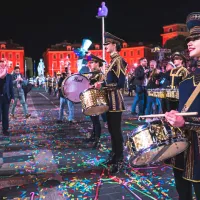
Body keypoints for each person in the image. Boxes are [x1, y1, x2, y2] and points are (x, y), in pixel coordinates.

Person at [164, 12, 200, 200]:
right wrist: (175, 115)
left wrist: (184, 122)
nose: (189, 42)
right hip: (184, 151)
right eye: (189, 38)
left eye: (196, 38)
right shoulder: (187, 80)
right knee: (182, 192)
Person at [95, 32, 127, 173]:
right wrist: (100, 83)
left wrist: (103, 86)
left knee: (116, 131)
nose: (106, 46)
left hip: (116, 101)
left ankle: (119, 159)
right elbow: (110, 81)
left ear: (114, 44)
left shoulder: (119, 60)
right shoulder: (111, 61)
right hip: (109, 101)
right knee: (111, 131)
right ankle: (114, 155)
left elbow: (120, 83)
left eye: (107, 44)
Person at [85, 53, 107, 149]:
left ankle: (97, 139)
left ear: (98, 64)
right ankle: (93, 136)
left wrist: (93, 86)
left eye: (93, 62)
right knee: (94, 121)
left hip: (97, 99)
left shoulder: (100, 74)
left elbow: (101, 86)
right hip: (91, 98)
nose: (91, 64)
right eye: (91, 62)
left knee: (96, 121)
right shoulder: (93, 73)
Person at [0, 59, 14, 135]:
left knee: (5, 114)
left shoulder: (9, 76)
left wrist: (12, 97)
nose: (2, 66)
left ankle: (5, 130)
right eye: (1, 64)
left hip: (6, 97)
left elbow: (11, 87)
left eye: (3, 64)